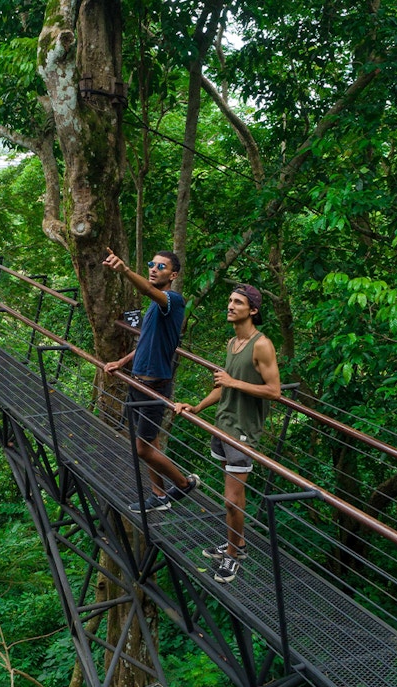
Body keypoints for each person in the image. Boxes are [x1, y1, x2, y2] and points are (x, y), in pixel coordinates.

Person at [174, 284, 281, 583]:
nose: (231, 306)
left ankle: (233, 555)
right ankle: (238, 541)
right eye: (230, 300)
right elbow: (223, 385)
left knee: (232, 500)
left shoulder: (262, 345)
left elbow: (274, 391)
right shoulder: (233, 342)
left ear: (253, 310)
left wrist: (234, 383)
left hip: (243, 431)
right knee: (231, 498)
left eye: (238, 302)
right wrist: (197, 407)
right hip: (222, 425)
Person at [102, 248, 200, 513]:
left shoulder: (172, 301)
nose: (154, 269)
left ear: (173, 275)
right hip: (137, 382)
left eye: (161, 266)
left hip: (154, 387)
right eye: (152, 264)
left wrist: (124, 270)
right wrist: (121, 363)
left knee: (143, 449)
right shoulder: (154, 308)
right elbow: (145, 341)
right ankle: (158, 495)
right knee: (150, 442)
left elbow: (147, 290)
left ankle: (183, 484)